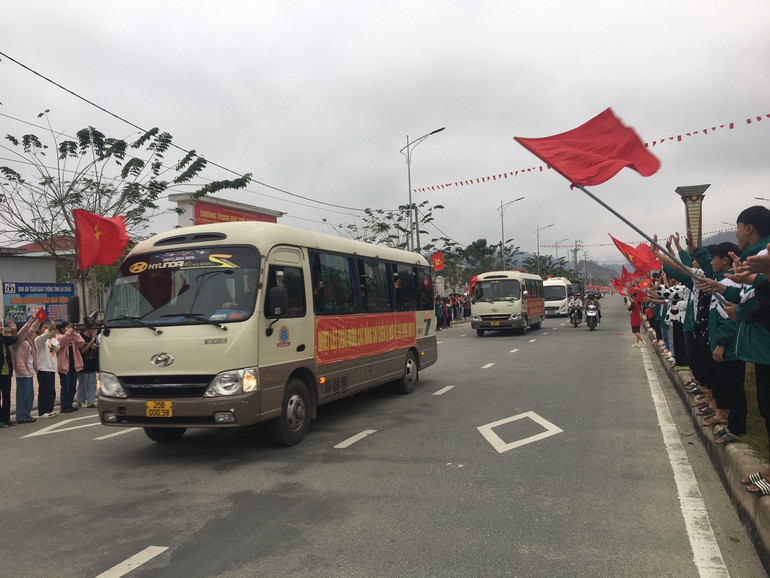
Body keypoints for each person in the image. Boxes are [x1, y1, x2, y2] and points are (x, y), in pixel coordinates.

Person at [12, 315, 41, 424]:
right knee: (22, 395)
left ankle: (27, 414)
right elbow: (23, 332)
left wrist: (39, 319)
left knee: (29, 395)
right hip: (22, 371)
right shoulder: (18, 341)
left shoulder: (27, 340)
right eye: (26, 330)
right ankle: (21, 417)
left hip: (29, 371)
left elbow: (32, 329)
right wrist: (30, 321)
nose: (29, 331)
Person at [56, 321, 85, 414]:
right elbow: (64, 341)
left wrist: (74, 334)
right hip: (64, 367)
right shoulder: (58, 337)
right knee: (66, 387)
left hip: (73, 366)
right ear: (62, 329)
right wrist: (71, 330)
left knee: (72, 387)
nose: (69, 329)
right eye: (67, 327)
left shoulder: (73, 338)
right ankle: (64, 406)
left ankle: (69, 404)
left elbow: (81, 343)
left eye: (70, 327)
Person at [34, 321, 60, 418]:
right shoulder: (38, 340)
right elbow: (44, 337)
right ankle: (42, 411)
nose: (46, 329)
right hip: (43, 369)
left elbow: (57, 347)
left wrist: (52, 338)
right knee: (44, 391)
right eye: (44, 327)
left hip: (51, 368)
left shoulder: (50, 340)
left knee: (51, 391)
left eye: (47, 327)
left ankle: (49, 409)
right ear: (38, 330)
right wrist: (50, 329)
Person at [76, 321, 99, 408]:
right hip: (83, 363)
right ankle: (79, 400)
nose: (93, 330)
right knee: (83, 383)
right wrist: (91, 342)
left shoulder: (94, 337)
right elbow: (82, 350)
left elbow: (95, 350)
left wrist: (95, 347)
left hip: (92, 362)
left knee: (92, 383)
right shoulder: (80, 337)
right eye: (92, 328)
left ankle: (90, 401)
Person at [0, 320, 18, 428]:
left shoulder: (3, 339)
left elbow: (14, 339)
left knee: (7, 397)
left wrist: (14, 330)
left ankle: (6, 418)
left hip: (6, 372)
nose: (1, 328)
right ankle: (0, 420)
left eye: (1, 326)